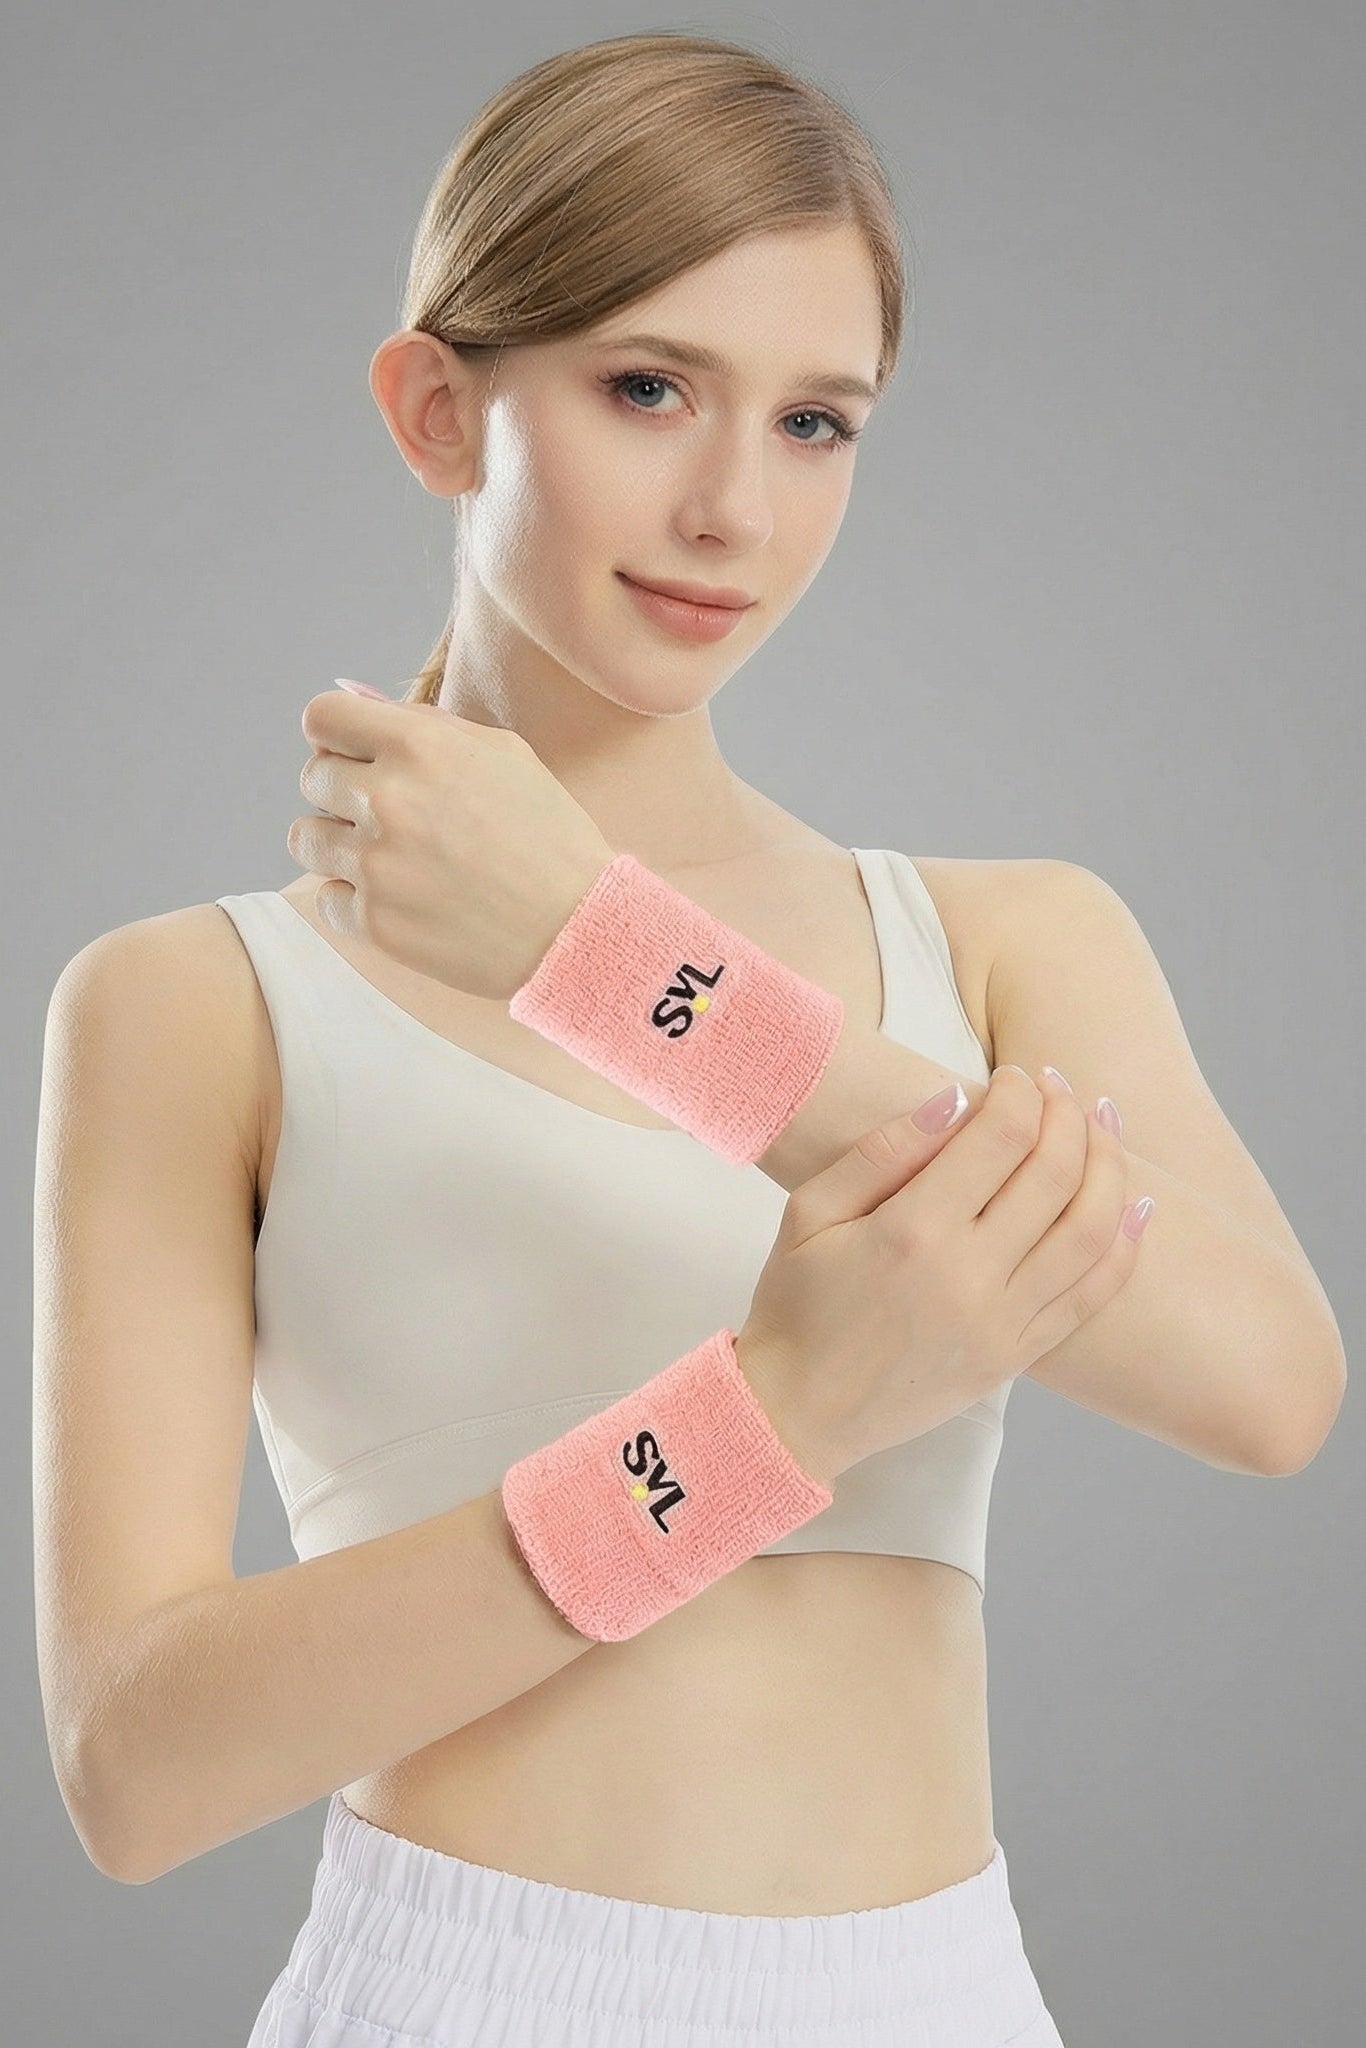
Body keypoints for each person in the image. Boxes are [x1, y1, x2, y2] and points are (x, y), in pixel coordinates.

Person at [36, 30, 1098, 2046]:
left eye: (814, 421)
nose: (728, 505)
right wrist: (760, 1424)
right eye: (642, 387)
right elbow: (135, 1767)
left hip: (946, 1989)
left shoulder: (1008, 932)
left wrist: (613, 968)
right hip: (460, 1989)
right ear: (437, 409)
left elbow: (1260, 1381)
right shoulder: (188, 1003)